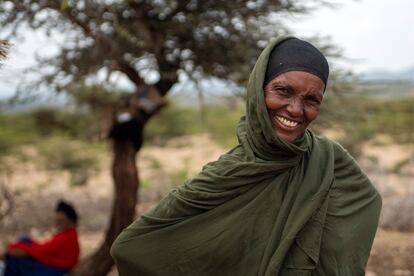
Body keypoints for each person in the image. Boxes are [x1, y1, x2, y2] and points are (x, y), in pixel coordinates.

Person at [111, 36, 382, 276]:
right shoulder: (226, 173)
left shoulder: (329, 160)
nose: (296, 110)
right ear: (258, 90)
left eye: (312, 100)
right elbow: (132, 247)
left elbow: (364, 204)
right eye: (283, 91)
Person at [0, 200, 80, 276]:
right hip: (50, 265)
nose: (57, 224)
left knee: (14, 259)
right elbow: (41, 249)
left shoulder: (67, 238)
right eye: (57, 221)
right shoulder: (66, 235)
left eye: (61, 221)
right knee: (24, 240)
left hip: (55, 270)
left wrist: (9, 252)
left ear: (71, 222)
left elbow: (40, 251)